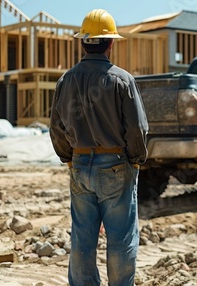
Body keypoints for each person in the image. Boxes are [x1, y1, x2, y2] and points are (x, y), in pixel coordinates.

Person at [49, 8, 148, 286]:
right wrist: (136, 160)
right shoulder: (122, 80)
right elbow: (137, 130)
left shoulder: (65, 80)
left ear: (82, 42)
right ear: (111, 43)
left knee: (82, 238)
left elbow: (56, 128)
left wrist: (69, 158)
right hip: (116, 166)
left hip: (79, 166)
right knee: (121, 239)